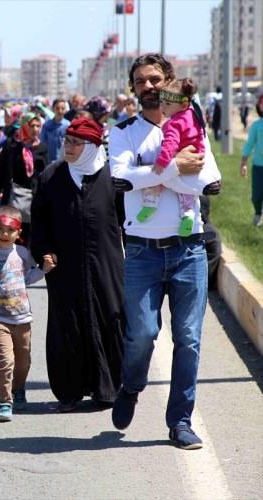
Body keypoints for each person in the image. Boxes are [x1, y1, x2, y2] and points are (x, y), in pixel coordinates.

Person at [109, 53, 222, 450]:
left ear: (169, 80)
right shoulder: (123, 131)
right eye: (141, 81)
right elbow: (120, 178)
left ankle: (181, 421)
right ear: (133, 89)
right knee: (141, 334)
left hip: (189, 250)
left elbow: (209, 181)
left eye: (155, 79)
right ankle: (131, 385)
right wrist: (177, 168)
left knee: (188, 339)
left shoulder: (192, 124)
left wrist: (157, 175)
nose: (149, 86)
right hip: (142, 251)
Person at [30, 117, 126, 412]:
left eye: (76, 143)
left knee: (109, 318)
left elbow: (128, 222)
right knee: (67, 325)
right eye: (67, 141)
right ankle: (69, 392)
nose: (68, 147)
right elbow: (39, 223)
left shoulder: (112, 178)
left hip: (106, 265)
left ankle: (107, 390)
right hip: (64, 267)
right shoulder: (51, 177)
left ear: (93, 146)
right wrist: (43, 252)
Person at [0, 206, 54, 421]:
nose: (4, 234)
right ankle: (5, 401)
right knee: (5, 360)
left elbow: (28, 279)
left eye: (10, 230)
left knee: (23, 361)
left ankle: (19, 389)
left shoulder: (23, 254)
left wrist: (43, 269)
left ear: (18, 233)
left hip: (23, 319)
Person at [136, 78, 221, 236]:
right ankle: (187, 215)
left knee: (155, 181)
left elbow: (170, 144)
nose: (162, 108)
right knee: (186, 193)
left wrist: (162, 162)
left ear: (182, 104)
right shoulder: (193, 114)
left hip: (179, 158)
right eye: (162, 103)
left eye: (167, 104)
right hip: (196, 158)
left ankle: (150, 205)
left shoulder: (174, 123)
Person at [0, 112, 48, 245]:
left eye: (38, 126)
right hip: (13, 196)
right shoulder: (12, 146)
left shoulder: (42, 148)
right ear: (25, 126)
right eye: (32, 125)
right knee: (12, 231)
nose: (35, 129)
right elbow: (1, 171)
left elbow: (45, 174)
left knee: (30, 234)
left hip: (33, 197)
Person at [240, 92, 263, 227]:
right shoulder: (256, 126)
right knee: (257, 196)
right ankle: (258, 212)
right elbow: (249, 144)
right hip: (258, 166)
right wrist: (243, 162)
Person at [40, 98, 70, 163]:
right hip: (49, 160)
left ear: (65, 110)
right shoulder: (46, 125)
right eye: (57, 108)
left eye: (62, 108)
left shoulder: (68, 125)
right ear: (53, 109)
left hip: (63, 160)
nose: (60, 111)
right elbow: (42, 142)